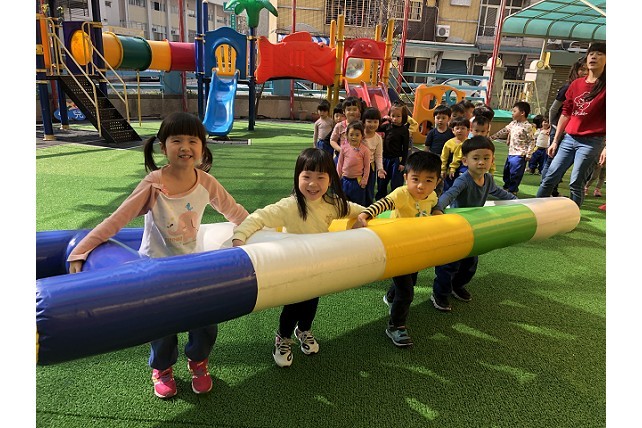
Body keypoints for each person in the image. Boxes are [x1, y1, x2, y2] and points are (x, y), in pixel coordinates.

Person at [66, 112, 249, 399]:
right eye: (177, 140)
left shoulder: (206, 182)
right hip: (156, 269)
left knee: (206, 320)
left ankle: (198, 361)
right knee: (162, 327)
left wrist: (258, 229)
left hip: (190, 266)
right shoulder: (154, 184)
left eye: (193, 140)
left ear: (203, 147)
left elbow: (234, 211)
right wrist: (81, 249)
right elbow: (118, 219)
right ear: (163, 147)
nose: (185, 147)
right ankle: (162, 368)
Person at [231, 148, 366, 367]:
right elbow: (259, 217)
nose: (313, 184)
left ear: (330, 179)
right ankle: (283, 337)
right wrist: (239, 237)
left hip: (318, 266)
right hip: (293, 268)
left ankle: (304, 330)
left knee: (311, 303)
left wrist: (365, 216)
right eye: (307, 176)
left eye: (320, 177)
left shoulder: (332, 204)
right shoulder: (290, 206)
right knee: (293, 306)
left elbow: (357, 209)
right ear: (297, 177)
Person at [352, 151, 442, 347]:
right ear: (406, 178)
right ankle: (396, 326)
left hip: (416, 248)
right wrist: (363, 216)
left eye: (428, 180)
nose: (421, 186)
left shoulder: (432, 195)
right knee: (407, 292)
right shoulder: (402, 193)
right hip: (398, 249)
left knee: (411, 281)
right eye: (415, 179)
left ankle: (390, 296)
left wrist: (437, 211)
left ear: (437, 182)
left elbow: (436, 203)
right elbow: (382, 204)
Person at [430, 136, 517, 312]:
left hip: (473, 228)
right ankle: (440, 293)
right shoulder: (463, 180)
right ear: (465, 161)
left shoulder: (488, 179)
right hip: (457, 228)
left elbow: (498, 192)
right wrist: (438, 208)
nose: (481, 162)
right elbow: (450, 194)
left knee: (470, 264)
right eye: (476, 158)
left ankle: (457, 286)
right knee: (449, 264)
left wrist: (516, 200)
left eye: (486, 158)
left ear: (492, 159)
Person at [536, 42, 606, 207]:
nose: (594, 57)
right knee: (550, 177)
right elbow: (566, 113)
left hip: (591, 142)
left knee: (576, 182)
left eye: (599, 54)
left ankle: (573, 215)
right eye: (591, 54)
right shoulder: (576, 84)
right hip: (569, 139)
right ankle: (535, 209)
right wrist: (555, 140)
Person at [541, 57, 589, 197]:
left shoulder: (590, 88)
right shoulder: (568, 87)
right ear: (575, 70)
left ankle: (552, 190)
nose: (585, 72)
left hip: (572, 132)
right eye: (582, 69)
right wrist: (553, 126)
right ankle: (548, 191)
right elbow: (553, 109)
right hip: (560, 130)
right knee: (552, 162)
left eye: (587, 70)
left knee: (560, 164)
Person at [490, 101, 535, 195]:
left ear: (522, 113)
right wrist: (491, 138)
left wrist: (529, 153)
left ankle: (512, 190)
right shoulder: (513, 123)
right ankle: (506, 186)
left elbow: (531, 140)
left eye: (514, 111)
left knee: (515, 173)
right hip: (511, 152)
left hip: (520, 154)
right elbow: (504, 131)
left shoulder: (527, 126)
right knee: (507, 171)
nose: (512, 113)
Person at [375, 102, 411, 199]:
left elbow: (405, 147)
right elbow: (377, 128)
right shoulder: (387, 126)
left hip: (396, 160)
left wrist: (403, 163)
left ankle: (396, 199)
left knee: (396, 182)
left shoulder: (404, 130)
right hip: (385, 158)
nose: (395, 119)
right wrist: (383, 119)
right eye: (393, 116)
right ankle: (380, 198)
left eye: (398, 116)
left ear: (403, 117)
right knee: (382, 181)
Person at [336, 121, 371, 205]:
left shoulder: (365, 150)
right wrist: (338, 177)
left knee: (358, 202)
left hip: (357, 181)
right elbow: (340, 163)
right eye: (351, 135)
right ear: (347, 135)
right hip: (345, 180)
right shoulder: (344, 148)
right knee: (344, 202)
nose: (354, 137)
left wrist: (364, 180)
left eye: (357, 135)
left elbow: (367, 167)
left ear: (362, 136)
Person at [361, 107, 386, 205]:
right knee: (358, 189)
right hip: (357, 166)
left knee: (369, 190)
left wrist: (380, 169)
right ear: (364, 122)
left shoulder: (378, 138)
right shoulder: (359, 135)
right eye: (369, 121)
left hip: (370, 167)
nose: (372, 124)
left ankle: (367, 207)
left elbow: (378, 155)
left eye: (375, 122)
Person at [330, 97, 364, 165]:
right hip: (341, 157)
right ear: (343, 111)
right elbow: (332, 140)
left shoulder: (362, 125)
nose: (351, 112)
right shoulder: (339, 126)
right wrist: (340, 149)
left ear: (359, 110)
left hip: (357, 158)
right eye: (348, 109)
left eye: (354, 109)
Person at [440, 116, 470, 192]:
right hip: (450, 168)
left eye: (463, 128)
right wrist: (443, 169)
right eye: (457, 128)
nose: (460, 131)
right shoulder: (449, 143)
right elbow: (444, 157)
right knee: (448, 186)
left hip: (464, 168)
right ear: (453, 130)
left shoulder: (469, 143)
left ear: (468, 130)